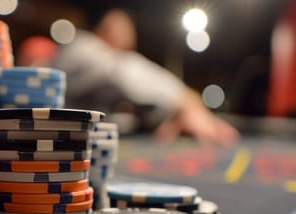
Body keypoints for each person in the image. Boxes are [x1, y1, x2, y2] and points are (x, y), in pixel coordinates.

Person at [53, 8, 240, 146]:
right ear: (105, 34)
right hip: (48, 142)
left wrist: (171, 116)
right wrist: (185, 100)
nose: (126, 53)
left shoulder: (98, 84)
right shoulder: (82, 48)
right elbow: (121, 70)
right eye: (124, 50)